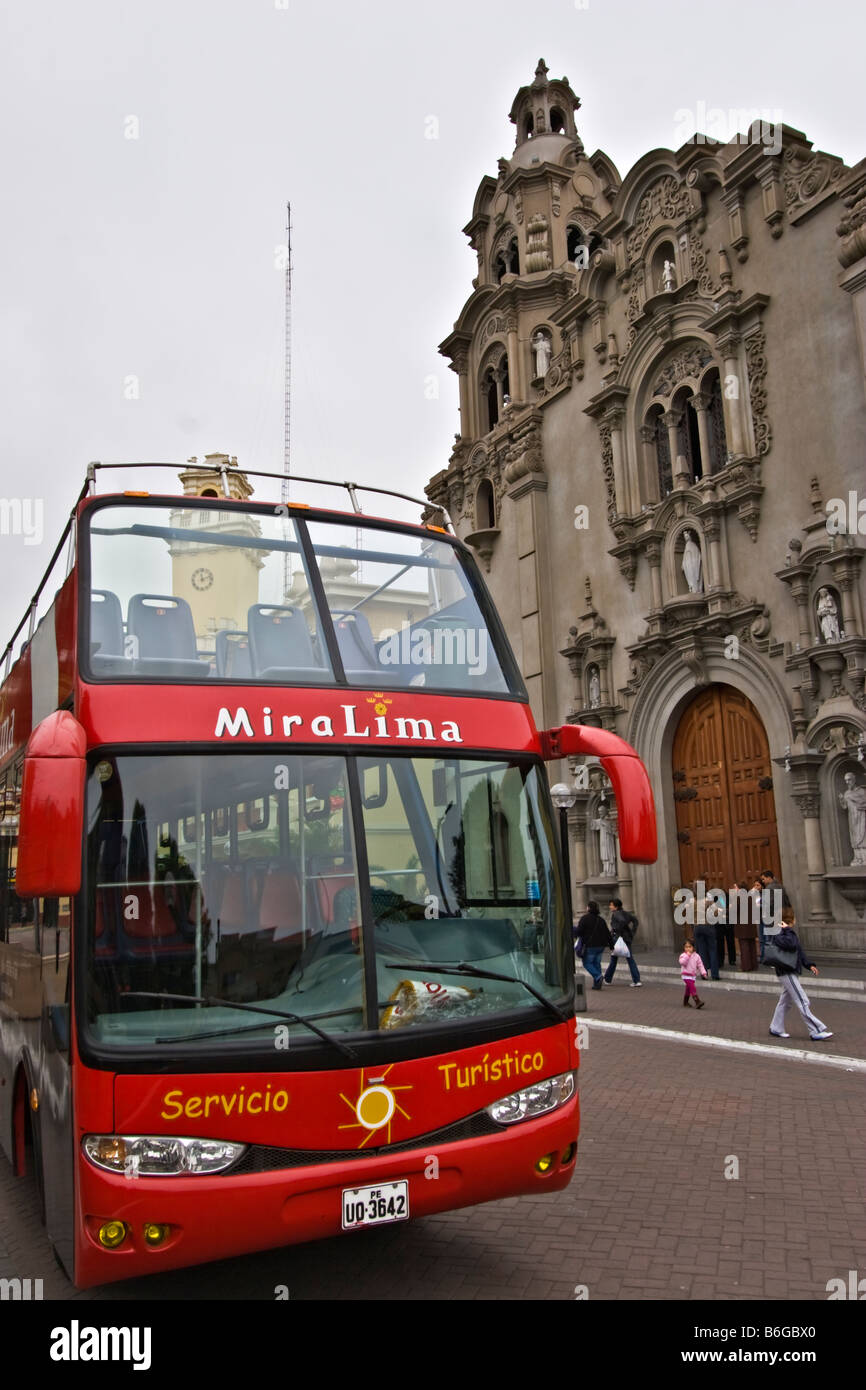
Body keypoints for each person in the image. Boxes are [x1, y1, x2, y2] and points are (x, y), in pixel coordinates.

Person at [768, 907, 833, 1041]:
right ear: (790, 919)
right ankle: (815, 1030)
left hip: (789, 970)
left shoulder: (786, 932)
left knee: (785, 1002)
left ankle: (776, 1027)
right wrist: (787, 930)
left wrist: (809, 964)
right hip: (786, 971)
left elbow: (798, 951)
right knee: (803, 1000)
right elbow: (791, 945)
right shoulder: (781, 932)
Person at [603, 898, 642, 986]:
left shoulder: (616, 914)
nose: (610, 907)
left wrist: (616, 931)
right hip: (627, 938)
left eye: (611, 905)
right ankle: (637, 980)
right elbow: (635, 921)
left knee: (614, 959)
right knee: (629, 959)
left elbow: (622, 921)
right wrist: (632, 932)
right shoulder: (626, 913)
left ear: (616, 906)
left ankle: (607, 979)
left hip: (618, 939)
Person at [577, 899, 614, 991]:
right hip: (601, 946)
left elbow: (579, 931)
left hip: (590, 945)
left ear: (588, 908)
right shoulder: (601, 919)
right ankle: (597, 984)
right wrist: (611, 946)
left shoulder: (584, 918)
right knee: (597, 964)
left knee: (587, 963)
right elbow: (607, 933)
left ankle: (598, 976)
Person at [759, 868, 789, 963]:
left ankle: (775, 960)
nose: (763, 881)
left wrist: (759, 905)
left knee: (771, 940)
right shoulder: (781, 886)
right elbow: (787, 901)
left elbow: (768, 904)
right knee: (781, 938)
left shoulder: (769, 888)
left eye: (763, 879)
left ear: (769, 878)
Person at [693, 880, 720, 981]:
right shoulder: (708, 900)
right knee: (712, 950)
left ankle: (704, 974)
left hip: (697, 927)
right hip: (708, 926)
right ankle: (715, 974)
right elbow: (716, 912)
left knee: (702, 951)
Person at [733, 879, 758, 971]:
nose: (734, 889)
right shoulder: (750, 897)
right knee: (751, 945)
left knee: (744, 946)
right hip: (750, 924)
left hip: (742, 925)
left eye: (735, 887)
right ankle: (754, 964)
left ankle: (746, 966)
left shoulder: (739, 898)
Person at [679, 939, 706, 1008]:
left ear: (693, 947)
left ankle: (685, 1002)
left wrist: (703, 973)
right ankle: (697, 1001)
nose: (688, 949)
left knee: (688, 990)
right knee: (692, 988)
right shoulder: (683, 955)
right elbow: (682, 962)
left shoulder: (697, 956)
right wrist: (687, 956)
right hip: (685, 975)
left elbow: (700, 965)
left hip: (693, 975)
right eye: (686, 947)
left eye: (689, 947)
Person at [717, 884, 736, 968]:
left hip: (728, 922)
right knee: (721, 943)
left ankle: (731, 959)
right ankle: (722, 961)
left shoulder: (729, 898)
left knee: (730, 941)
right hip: (721, 923)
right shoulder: (716, 899)